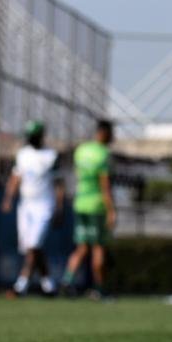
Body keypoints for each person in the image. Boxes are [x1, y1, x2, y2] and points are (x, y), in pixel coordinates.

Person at [1, 120, 63, 298]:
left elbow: (59, 184)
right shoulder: (22, 154)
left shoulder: (51, 155)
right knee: (32, 247)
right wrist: (8, 198)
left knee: (34, 244)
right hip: (26, 206)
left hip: (44, 206)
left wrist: (59, 208)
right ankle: (48, 285)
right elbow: (16, 177)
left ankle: (21, 285)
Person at [61, 119, 117, 299]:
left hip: (80, 203)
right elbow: (105, 186)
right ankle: (99, 289)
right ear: (105, 133)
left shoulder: (81, 150)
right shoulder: (103, 154)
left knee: (82, 247)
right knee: (98, 248)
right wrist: (111, 210)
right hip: (96, 205)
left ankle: (67, 281)